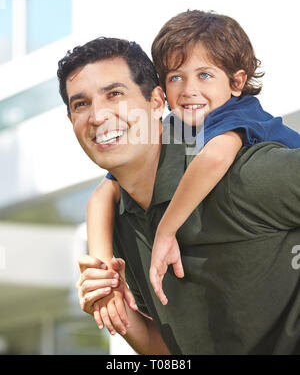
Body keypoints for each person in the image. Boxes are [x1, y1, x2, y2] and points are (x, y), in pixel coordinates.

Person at [57, 33, 300, 355]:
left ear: (157, 101)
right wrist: (115, 308)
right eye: (81, 104)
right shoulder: (121, 221)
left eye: (114, 94)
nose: (98, 115)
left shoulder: (238, 173)